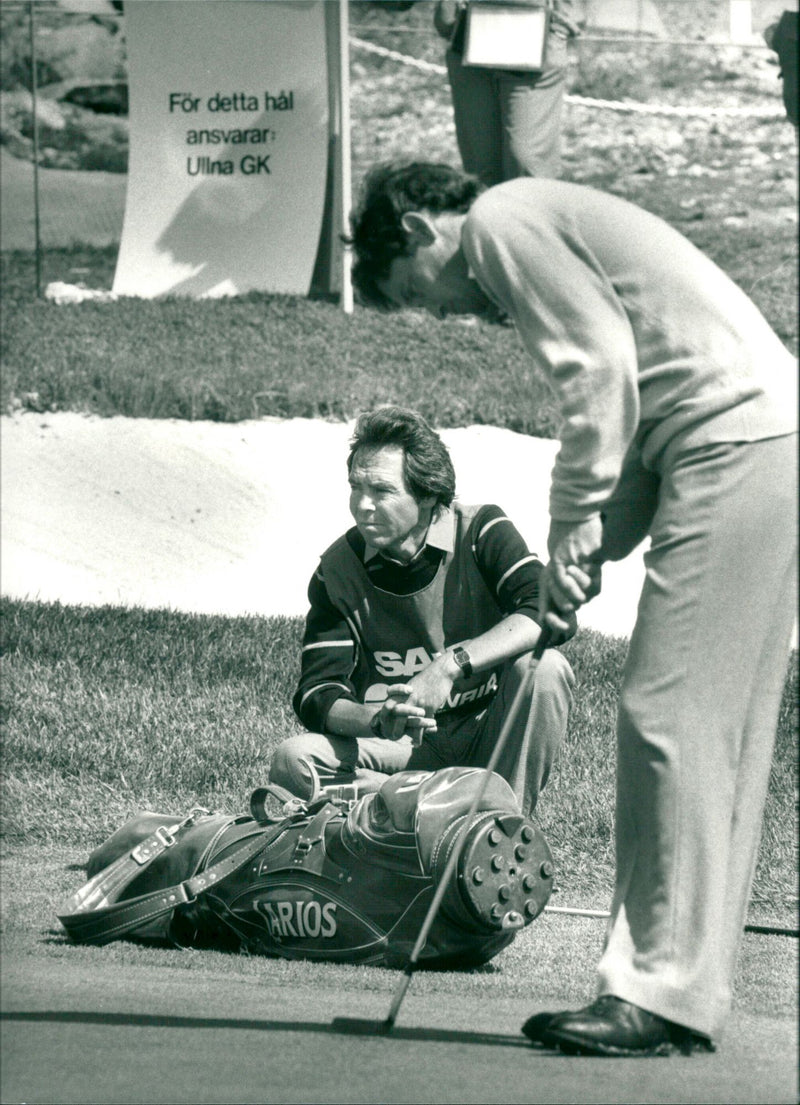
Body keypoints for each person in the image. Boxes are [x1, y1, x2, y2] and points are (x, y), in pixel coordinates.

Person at [347, 162, 798, 1056]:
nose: (448, 312)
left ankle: (652, 993)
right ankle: (678, 995)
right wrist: (581, 565)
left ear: (419, 231)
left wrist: (569, 531)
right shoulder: (534, 218)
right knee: (709, 731)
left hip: (731, 443)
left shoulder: (499, 222)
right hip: (757, 439)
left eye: (417, 292)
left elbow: (596, 374)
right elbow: (634, 407)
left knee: (667, 716)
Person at [269, 405, 575, 819]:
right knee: (294, 759)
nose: (362, 505)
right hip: (401, 749)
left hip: (485, 737)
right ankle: (446, 808)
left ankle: (496, 826)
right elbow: (316, 695)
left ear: (428, 494)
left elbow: (553, 612)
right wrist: (378, 718)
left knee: (545, 670)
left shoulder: (480, 532)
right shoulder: (337, 570)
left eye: (381, 491)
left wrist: (450, 665)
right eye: (356, 487)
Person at [382, 0, 579, 183]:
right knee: (480, 171)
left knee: (528, 165)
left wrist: (564, 21)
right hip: (468, 38)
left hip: (536, 40)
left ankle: (529, 220)